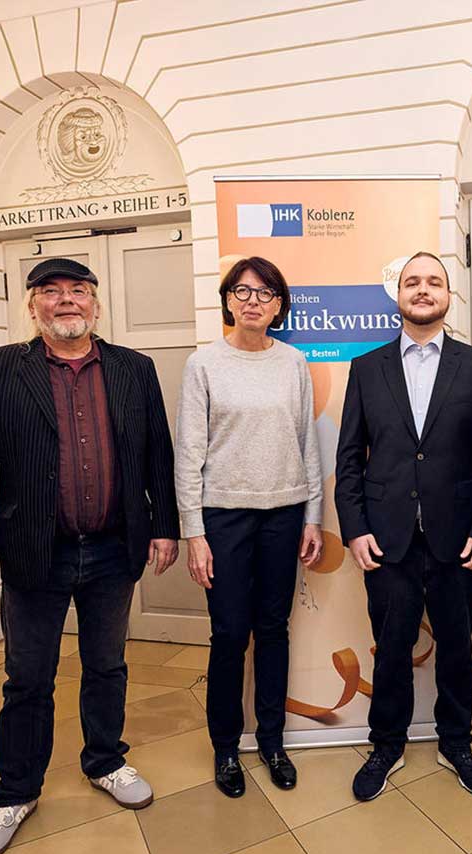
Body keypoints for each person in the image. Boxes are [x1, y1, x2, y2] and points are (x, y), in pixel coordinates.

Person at [0, 258, 180, 854]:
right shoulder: (0, 369)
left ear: (96, 304)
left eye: (78, 291)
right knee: (28, 678)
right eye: (50, 293)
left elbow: (158, 452)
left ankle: (105, 759)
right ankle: (16, 792)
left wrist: (165, 527)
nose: (65, 301)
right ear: (33, 307)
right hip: (35, 551)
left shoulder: (135, 369)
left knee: (108, 665)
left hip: (113, 549)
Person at [335, 251, 472, 801]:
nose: (423, 289)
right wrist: (355, 529)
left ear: (448, 295)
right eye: (413, 282)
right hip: (386, 540)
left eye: (434, 281)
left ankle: (457, 741)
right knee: (390, 649)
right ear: (399, 295)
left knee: (458, 645)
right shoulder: (366, 368)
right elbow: (349, 459)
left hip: (459, 540)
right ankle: (385, 744)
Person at [174, 256, 323, 799]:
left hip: (284, 516)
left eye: (264, 292)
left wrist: (312, 516)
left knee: (274, 631)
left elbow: (307, 443)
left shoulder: (293, 363)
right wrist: (195, 531)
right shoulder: (203, 364)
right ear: (228, 302)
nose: (253, 300)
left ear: (279, 304)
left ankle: (273, 742)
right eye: (242, 291)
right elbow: (188, 453)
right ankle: (224, 747)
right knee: (230, 635)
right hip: (224, 519)